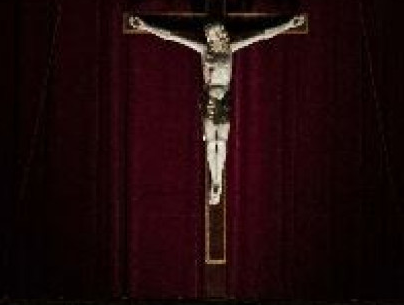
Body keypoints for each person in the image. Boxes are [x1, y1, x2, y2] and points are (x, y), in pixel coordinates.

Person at [126, 12, 307, 205]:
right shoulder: (204, 50)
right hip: (210, 100)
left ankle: (218, 180)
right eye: (208, 37)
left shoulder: (231, 49)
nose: (209, 40)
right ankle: (215, 181)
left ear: (221, 34)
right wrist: (146, 27)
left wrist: (288, 25)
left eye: (212, 36)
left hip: (224, 100)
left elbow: (262, 35)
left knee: (222, 142)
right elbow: (172, 37)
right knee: (211, 143)